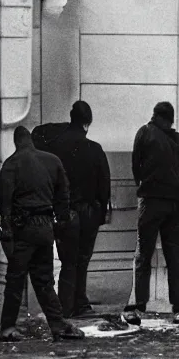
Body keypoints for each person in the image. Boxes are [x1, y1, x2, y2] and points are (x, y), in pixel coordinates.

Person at [0, 126, 84, 342]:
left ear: (17, 142)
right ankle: (57, 324)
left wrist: (6, 233)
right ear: (31, 141)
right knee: (44, 280)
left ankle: (7, 328)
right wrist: (61, 219)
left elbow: (4, 204)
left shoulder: (10, 165)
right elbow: (64, 192)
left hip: (23, 228)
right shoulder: (52, 160)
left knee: (15, 280)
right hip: (45, 227)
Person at [32, 101, 111, 318]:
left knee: (67, 261)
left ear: (71, 118)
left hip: (64, 211)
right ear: (88, 123)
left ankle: (65, 306)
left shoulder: (56, 146)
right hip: (88, 212)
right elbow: (104, 185)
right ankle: (80, 303)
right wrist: (101, 210)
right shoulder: (95, 149)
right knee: (82, 260)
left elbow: (37, 136)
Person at [124, 102, 179, 325]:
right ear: (171, 119)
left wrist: (145, 187)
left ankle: (138, 306)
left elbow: (136, 166)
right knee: (173, 257)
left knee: (143, 254)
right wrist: (176, 190)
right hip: (173, 205)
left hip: (151, 202)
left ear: (155, 116)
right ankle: (178, 308)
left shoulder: (144, 133)